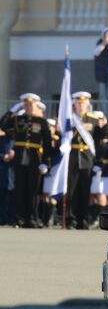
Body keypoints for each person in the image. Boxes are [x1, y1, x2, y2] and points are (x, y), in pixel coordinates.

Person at [0, 94, 52, 228]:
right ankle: (20, 218)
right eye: (26, 105)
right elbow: (3, 125)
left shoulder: (41, 122)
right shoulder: (17, 119)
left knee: (33, 190)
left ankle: (32, 218)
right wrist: (13, 110)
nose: (29, 107)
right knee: (20, 189)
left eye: (31, 105)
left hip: (35, 158)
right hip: (20, 157)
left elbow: (47, 144)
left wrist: (46, 162)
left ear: (36, 106)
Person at [67, 92, 100, 229]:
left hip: (87, 157)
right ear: (74, 104)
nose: (81, 105)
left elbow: (98, 141)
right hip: (72, 156)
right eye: (78, 103)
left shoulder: (93, 119)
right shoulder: (69, 118)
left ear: (87, 104)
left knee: (85, 190)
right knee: (72, 189)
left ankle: (84, 219)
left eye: (83, 103)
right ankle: (72, 219)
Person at [94, 28, 108, 116]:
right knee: (103, 94)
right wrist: (104, 43)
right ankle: (106, 113)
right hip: (102, 74)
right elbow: (96, 52)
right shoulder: (100, 43)